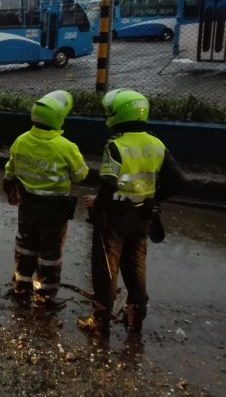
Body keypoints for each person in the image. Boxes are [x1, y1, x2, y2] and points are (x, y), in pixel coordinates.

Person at [77, 89, 184, 337]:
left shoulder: (116, 145)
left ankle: (100, 323)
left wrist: (97, 202)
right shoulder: (157, 144)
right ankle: (135, 321)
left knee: (106, 270)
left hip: (114, 217)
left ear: (119, 115)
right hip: (143, 216)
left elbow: (108, 183)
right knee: (136, 268)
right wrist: (154, 197)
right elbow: (178, 180)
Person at [3, 90, 89, 309]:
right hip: (54, 210)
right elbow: (81, 175)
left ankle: (20, 288)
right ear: (59, 119)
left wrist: (9, 188)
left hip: (27, 206)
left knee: (25, 244)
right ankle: (44, 296)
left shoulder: (21, 140)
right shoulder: (66, 147)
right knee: (49, 252)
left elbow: (10, 171)